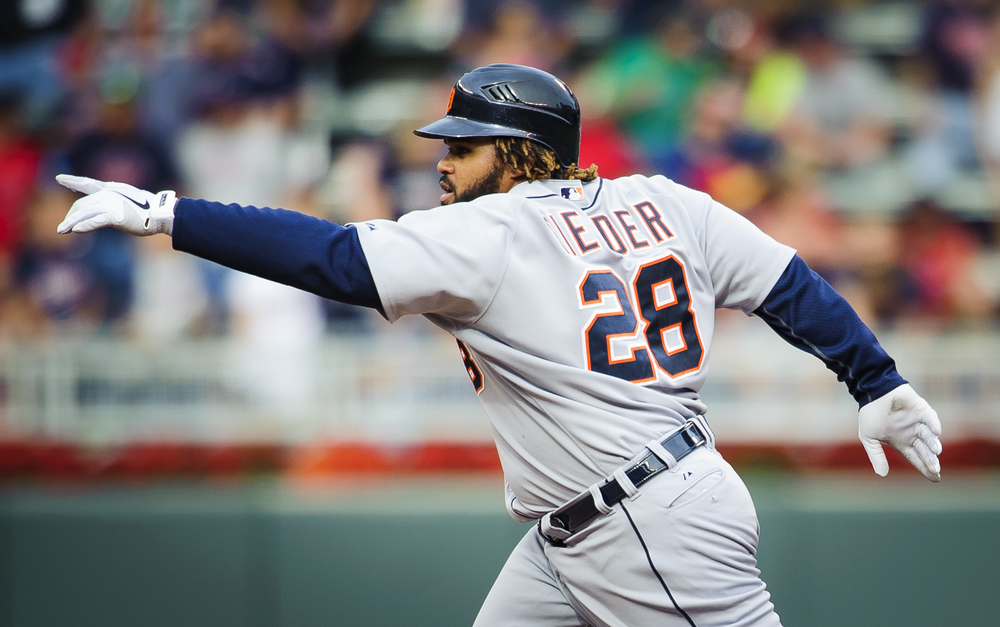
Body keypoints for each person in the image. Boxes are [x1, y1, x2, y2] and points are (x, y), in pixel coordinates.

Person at [55, 63, 943, 627]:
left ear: (520, 153)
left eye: (466, 145)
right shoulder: (669, 201)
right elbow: (792, 287)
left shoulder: (489, 235)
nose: (444, 161)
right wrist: (876, 379)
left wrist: (170, 214)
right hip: (596, 523)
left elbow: (330, 256)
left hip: (645, 524)